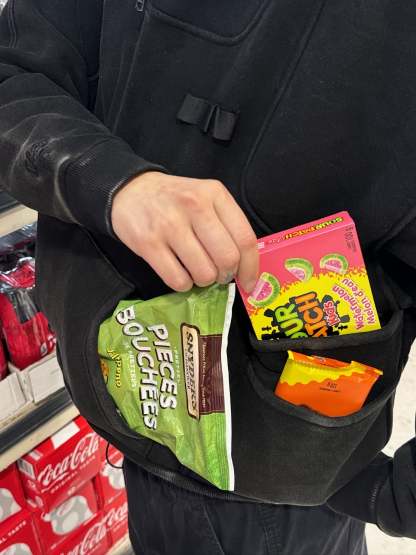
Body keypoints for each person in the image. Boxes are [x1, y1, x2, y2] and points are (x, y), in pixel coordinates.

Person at [0, 1, 415, 554]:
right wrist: (111, 182)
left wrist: (383, 494)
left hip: (284, 454)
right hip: (141, 407)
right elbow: (13, 70)